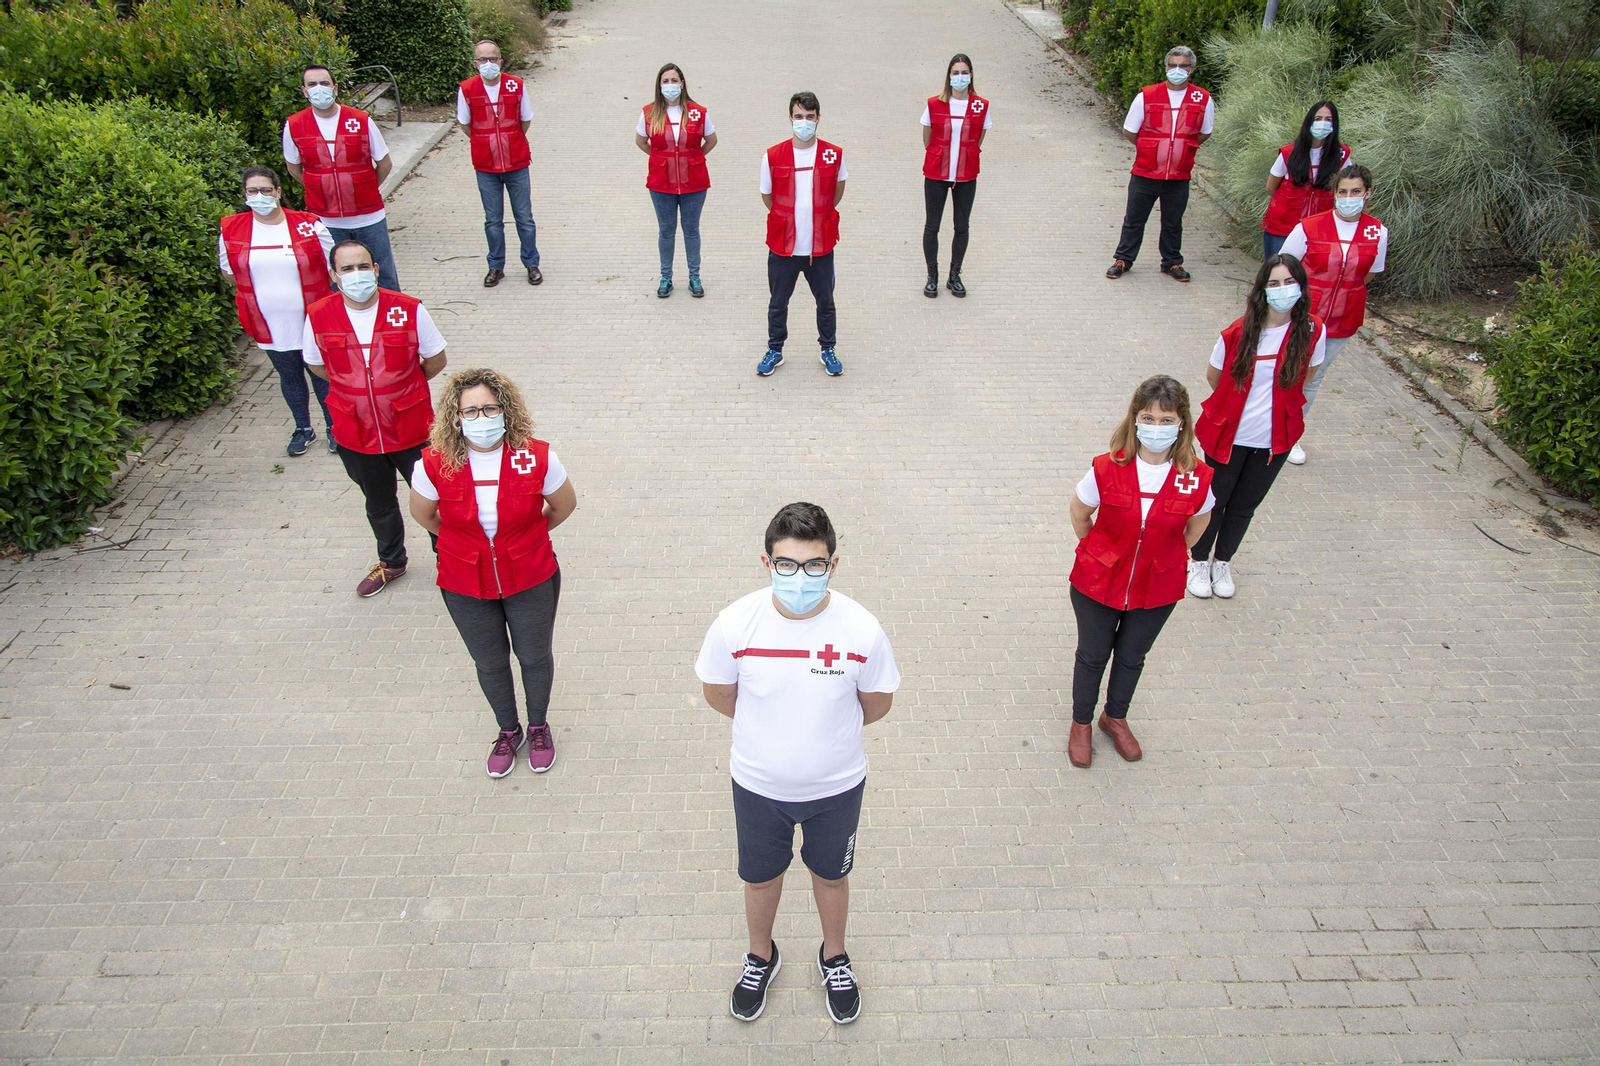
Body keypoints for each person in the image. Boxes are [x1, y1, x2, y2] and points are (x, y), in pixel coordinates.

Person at [695, 502, 900, 1025]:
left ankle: (834, 955)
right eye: (787, 564)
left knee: (831, 877)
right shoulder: (735, 624)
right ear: (767, 564)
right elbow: (719, 693)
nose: (800, 577)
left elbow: (876, 704)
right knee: (760, 879)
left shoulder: (861, 629)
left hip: (836, 789)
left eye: (815, 565)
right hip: (758, 787)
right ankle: (760, 955)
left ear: (833, 565)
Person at [409, 369, 577, 777]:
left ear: (506, 410)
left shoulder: (536, 456)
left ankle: (538, 726)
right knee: (489, 662)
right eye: (471, 410)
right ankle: (509, 730)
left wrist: (524, 538)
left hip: (530, 576)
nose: (481, 417)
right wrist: (472, 547)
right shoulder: (434, 463)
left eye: (490, 407)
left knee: (534, 657)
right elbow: (423, 515)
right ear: (456, 416)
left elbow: (563, 506)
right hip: (465, 581)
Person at [1068, 376, 1215, 768]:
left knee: (1132, 657)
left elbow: (1199, 523)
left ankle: (1113, 717)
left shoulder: (1196, 476)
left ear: (1182, 423)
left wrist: (1168, 554)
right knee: (1093, 656)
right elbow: (1081, 514)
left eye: (1167, 420)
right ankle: (1081, 723)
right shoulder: (1107, 466)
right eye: (1148, 417)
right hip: (1098, 583)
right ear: (1135, 419)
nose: (1157, 427)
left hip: (1157, 586)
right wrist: (1097, 552)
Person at [303, 240, 449, 596]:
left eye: (363, 266)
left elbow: (436, 360)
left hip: (412, 429)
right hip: (356, 432)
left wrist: (399, 389)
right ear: (334, 275)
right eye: (348, 269)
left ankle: (450, 558)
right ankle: (392, 562)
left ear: (376, 269)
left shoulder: (408, 309)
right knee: (379, 503)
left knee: (435, 496)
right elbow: (316, 364)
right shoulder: (318, 315)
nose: (357, 275)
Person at [1188, 254, 1326, 600]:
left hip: (1273, 441)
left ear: (1301, 288)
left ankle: (1223, 561)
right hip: (1229, 437)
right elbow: (1214, 377)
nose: (1282, 290)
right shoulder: (1238, 332)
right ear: (1262, 290)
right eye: (1274, 283)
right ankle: (1199, 561)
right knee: (1214, 502)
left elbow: (1308, 376)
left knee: (1245, 505)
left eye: (1289, 282)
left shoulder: (1313, 331)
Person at [218, 165, 336, 457]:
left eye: (266, 190)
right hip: (269, 322)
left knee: (320, 375)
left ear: (279, 192)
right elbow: (229, 272)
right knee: (290, 376)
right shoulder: (231, 228)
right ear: (244, 195)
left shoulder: (309, 224)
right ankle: (302, 429)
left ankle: (335, 429)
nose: (260, 196)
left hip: (311, 319)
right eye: (252, 191)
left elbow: (333, 266)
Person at [1279, 164, 1388, 465]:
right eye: (1343, 192)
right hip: (1300, 317)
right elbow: (1284, 267)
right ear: (1334, 194)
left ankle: (1291, 437)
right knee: (1285, 372)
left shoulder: (1377, 231)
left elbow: (1369, 275)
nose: (1349, 197)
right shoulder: (1309, 227)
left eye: (1356, 192)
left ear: (1368, 193)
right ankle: (1266, 427)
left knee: (1313, 379)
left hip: (1342, 322)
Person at [283, 65, 401, 292]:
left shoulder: (360, 120)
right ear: (304, 91)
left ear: (335, 88)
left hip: (368, 217)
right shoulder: (294, 125)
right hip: (326, 221)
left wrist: (363, 188)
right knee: (338, 279)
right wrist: (321, 187)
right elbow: (294, 168)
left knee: (384, 275)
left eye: (325, 83)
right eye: (312, 84)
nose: (319, 89)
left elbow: (384, 163)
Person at [757, 92, 848, 378]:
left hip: (819, 247)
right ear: (790, 119)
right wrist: (790, 218)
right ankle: (775, 350)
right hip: (783, 246)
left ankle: (828, 349)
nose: (804, 122)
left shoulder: (833, 153)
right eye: (799, 117)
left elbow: (838, 189)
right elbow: (767, 195)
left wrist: (816, 213)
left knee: (826, 301)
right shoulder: (773, 155)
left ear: (818, 118)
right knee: (777, 302)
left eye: (810, 117)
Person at [1105, 46, 1214, 283]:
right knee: (1134, 219)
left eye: (1183, 66)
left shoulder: (1202, 98)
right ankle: (1123, 259)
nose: (1177, 70)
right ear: (1165, 67)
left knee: (1173, 222)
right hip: (1145, 173)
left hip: (1179, 175)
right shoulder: (1146, 95)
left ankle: (1172, 262)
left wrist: (1181, 149)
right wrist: (1152, 149)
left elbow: (1204, 133)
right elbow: (1130, 131)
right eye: (1172, 65)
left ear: (1191, 69)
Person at [458, 40, 543, 288]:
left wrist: (510, 140)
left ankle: (531, 263)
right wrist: (485, 143)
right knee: (493, 220)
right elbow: (465, 124)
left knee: (524, 218)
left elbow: (525, 120)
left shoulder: (516, 85)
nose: (488, 64)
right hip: (486, 167)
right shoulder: (466, 89)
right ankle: (496, 266)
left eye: (492, 59)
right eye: (483, 60)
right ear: (475, 63)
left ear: (500, 61)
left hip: (516, 164)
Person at [635, 62, 717, 298]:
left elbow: (711, 140)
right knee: (666, 231)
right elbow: (641, 141)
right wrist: (661, 158)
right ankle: (666, 277)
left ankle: (694, 276)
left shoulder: (697, 112)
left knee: (691, 230)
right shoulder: (649, 113)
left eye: (674, 80)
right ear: (659, 85)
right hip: (661, 183)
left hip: (694, 182)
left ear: (682, 83)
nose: (670, 85)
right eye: (665, 81)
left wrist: (693, 158)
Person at [920, 53, 991, 299]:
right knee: (932, 226)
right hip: (937, 173)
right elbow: (927, 138)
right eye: (955, 72)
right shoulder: (934, 103)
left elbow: (980, 135)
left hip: (966, 175)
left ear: (971, 75)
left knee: (961, 227)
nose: (960, 77)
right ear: (948, 76)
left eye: (964, 72)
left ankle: (954, 276)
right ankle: (932, 277)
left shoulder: (981, 105)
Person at [1261, 101, 1350, 260]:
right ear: (1309, 121)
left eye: (1328, 119)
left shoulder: (1342, 155)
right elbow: (1271, 187)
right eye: (1318, 118)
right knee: (1276, 272)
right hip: (1282, 227)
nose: (1322, 123)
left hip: (1320, 228)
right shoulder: (1289, 152)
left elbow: (1346, 187)